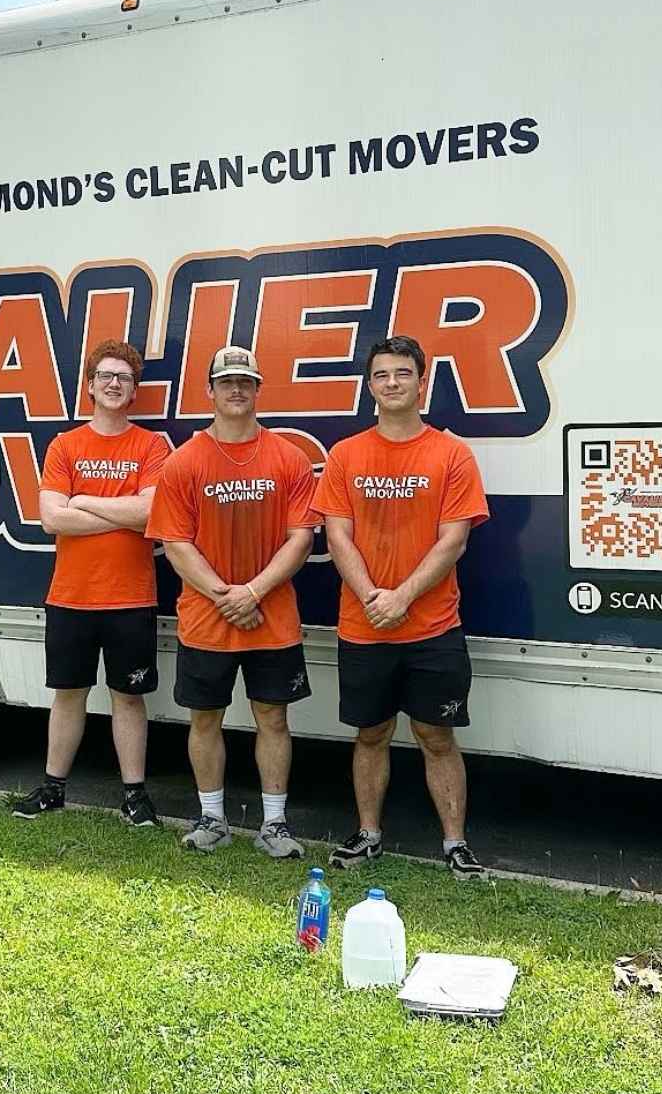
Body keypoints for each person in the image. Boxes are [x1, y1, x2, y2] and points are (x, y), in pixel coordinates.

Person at [312, 334, 490, 877]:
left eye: (402, 374)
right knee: (371, 734)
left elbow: (453, 540)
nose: (392, 383)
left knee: (437, 736)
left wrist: (402, 597)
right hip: (363, 626)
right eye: (382, 375)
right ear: (371, 386)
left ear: (422, 382)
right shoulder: (346, 454)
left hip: (433, 628)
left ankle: (455, 844)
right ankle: (368, 836)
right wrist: (371, 597)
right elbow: (336, 537)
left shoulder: (451, 454)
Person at [145, 345, 319, 858]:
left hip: (271, 616)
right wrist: (225, 595)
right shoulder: (184, 462)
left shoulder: (287, 458)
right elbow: (175, 544)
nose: (236, 390)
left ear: (258, 388)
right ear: (211, 391)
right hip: (206, 618)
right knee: (206, 719)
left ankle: (275, 824)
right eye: (227, 382)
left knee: (273, 718)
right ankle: (212, 818)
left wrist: (253, 592)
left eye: (245, 381)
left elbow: (301, 538)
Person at [13, 339, 169, 827]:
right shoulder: (66, 445)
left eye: (124, 377)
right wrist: (114, 509)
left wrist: (84, 501)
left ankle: (134, 795)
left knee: (128, 696)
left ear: (134, 388)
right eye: (106, 376)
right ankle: (53, 788)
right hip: (71, 597)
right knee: (70, 693)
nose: (115, 384)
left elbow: (150, 513)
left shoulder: (151, 445)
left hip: (131, 596)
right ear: (90, 386)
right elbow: (51, 520)